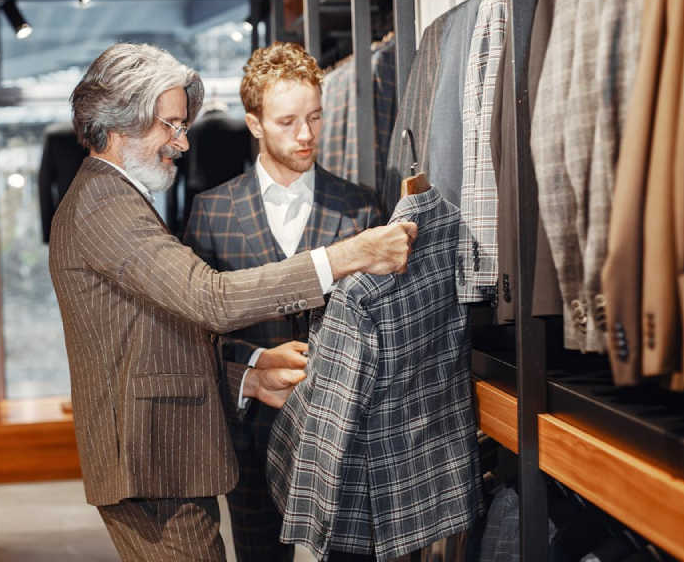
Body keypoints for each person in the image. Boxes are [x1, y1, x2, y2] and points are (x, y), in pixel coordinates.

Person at [48, 42, 417, 562]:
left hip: (170, 457)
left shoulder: (117, 197)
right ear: (119, 122)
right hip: (151, 461)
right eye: (170, 125)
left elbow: (155, 340)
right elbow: (209, 299)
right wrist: (342, 257)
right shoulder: (105, 204)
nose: (181, 143)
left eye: (182, 126)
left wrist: (250, 373)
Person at [182, 41, 383, 562]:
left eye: (315, 117)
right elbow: (193, 333)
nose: (306, 135)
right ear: (254, 124)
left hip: (345, 441)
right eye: (288, 120)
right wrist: (251, 364)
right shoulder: (212, 212)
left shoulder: (361, 208)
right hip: (251, 434)